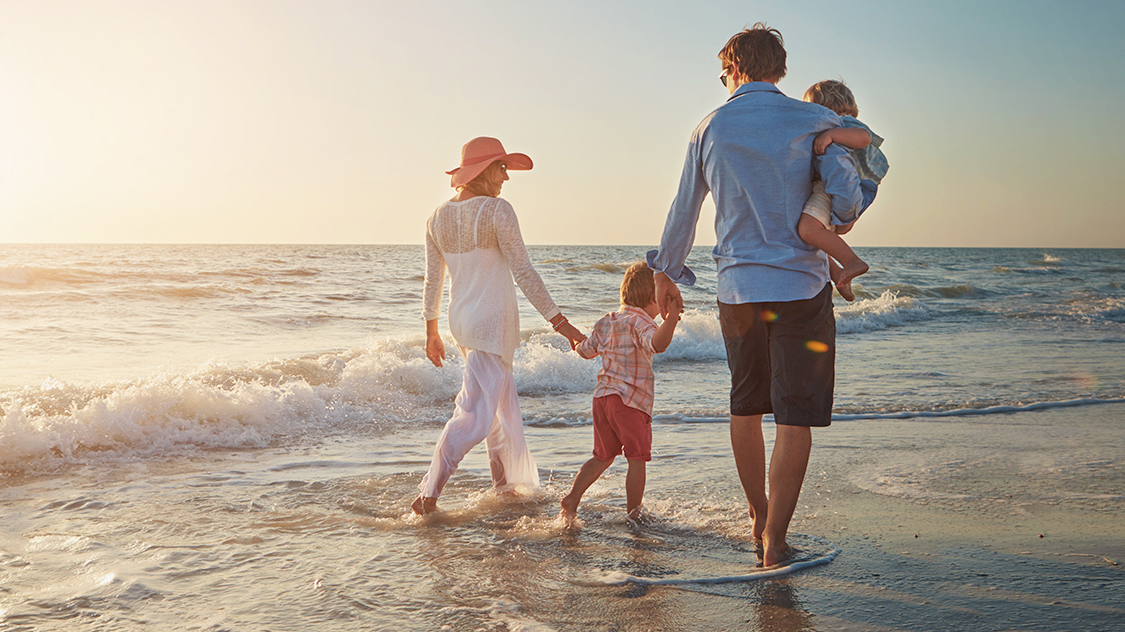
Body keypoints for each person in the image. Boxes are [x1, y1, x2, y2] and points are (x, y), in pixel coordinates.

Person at [647, 24, 864, 566]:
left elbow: (684, 210)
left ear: (736, 69)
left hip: (739, 291)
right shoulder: (815, 118)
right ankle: (776, 543)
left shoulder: (708, 127)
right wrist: (838, 216)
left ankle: (757, 516)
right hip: (801, 288)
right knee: (794, 417)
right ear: (778, 69)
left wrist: (666, 271)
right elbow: (845, 194)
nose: (724, 82)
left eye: (724, 73)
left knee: (745, 408)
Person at [414, 137, 586, 515]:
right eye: (501, 167)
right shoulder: (497, 211)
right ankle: (429, 493)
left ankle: (504, 487)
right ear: (481, 170)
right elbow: (524, 271)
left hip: (462, 323)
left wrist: (432, 331)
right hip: (491, 324)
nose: (506, 177)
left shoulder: (436, 218)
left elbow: (433, 282)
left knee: (499, 411)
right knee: (475, 415)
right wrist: (562, 324)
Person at [559, 262, 681, 526]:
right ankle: (634, 514)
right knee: (637, 459)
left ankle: (572, 498)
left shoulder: (607, 321)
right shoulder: (642, 323)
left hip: (602, 399)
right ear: (653, 299)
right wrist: (671, 319)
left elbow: (585, 350)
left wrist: (576, 342)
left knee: (602, 455)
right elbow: (657, 344)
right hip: (630, 403)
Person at [797, 79, 890, 301]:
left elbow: (864, 138)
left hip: (836, 188)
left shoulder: (843, 123)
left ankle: (851, 261)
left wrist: (831, 135)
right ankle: (839, 275)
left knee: (808, 230)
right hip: (839, 188)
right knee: (817, 237)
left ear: (827, 106)